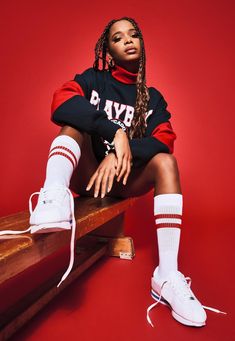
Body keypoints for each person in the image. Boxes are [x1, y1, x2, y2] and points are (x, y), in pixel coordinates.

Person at [0, 16, 225, 327]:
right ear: (109, 50)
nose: (128, 41)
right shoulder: (94, 80)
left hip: (124, 179)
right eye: (118, 38)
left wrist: (121, 154)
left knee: (167, 162)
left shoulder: (152, 98)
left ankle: (167, 275)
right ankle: (52, 199)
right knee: (73, 124)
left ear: (142, 43)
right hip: (87, 175)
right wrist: (114, 132)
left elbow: (165, 139)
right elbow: (61, 101)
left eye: (133, 35)